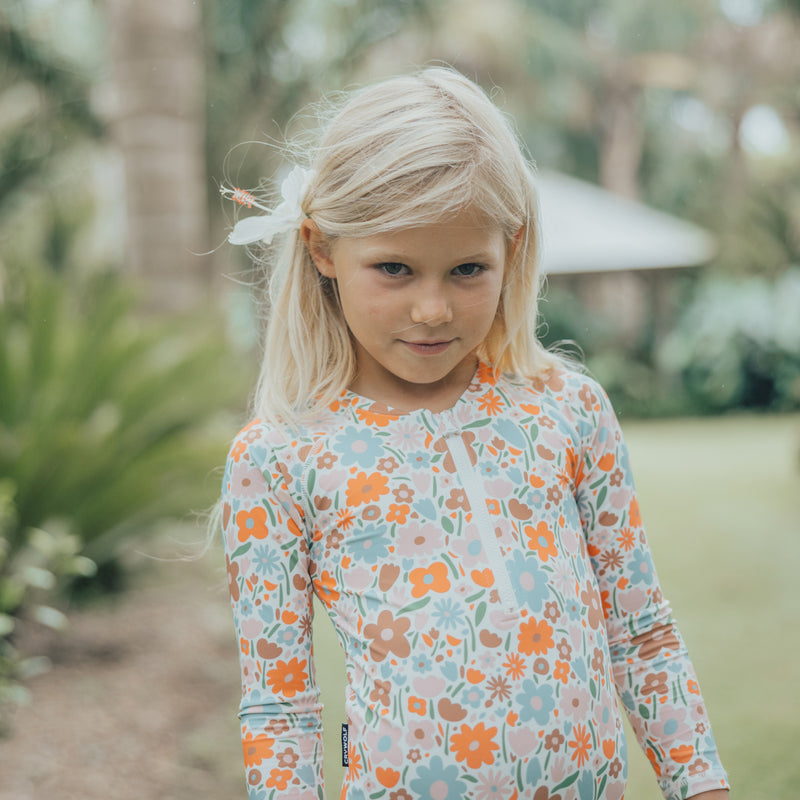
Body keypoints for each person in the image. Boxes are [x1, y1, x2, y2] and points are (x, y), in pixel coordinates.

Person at [219, 67, 730, 800]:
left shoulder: (567, 411)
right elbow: (281, 709)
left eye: (467, 269)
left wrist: (701, 784)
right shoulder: (280, 457)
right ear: (323, 248)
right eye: (394, 268)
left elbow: (641, 633)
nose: (433, 308)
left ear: (512, 250)